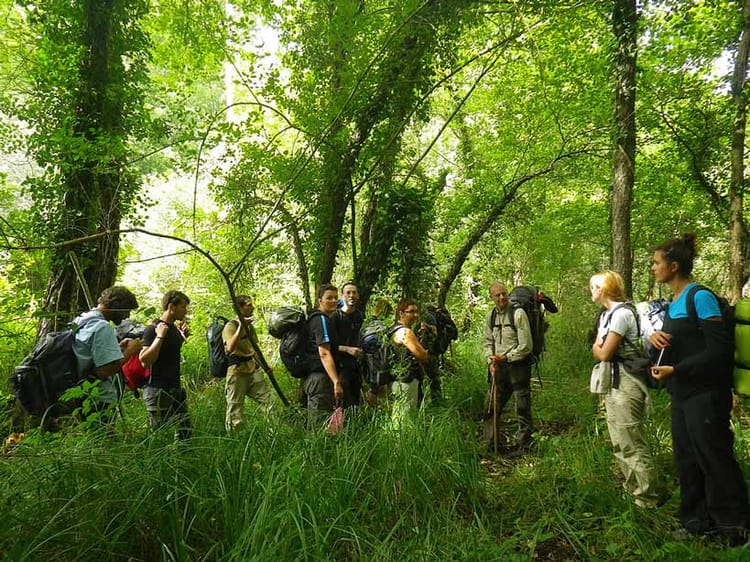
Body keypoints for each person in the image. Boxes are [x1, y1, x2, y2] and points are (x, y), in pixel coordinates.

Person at [649, 233, 750, 544]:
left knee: (714, 457)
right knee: (687, 459)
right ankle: (695, 522)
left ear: (674, 266)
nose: (653, 268)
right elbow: (678, 345)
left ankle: (735, 528)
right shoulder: (673, 303)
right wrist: (655, 343)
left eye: (656, 263)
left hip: (706, 395)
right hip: (681, 395)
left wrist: (676, 369)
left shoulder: (700, 297)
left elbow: (718, 350)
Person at [589, 270, 661, 508]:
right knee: (619, 440)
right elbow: (600, 349)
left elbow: (604, 352)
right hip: (613, 381)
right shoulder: (606, 315)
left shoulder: (621, 315)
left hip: (628, 383)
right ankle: (632, 489)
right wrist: (599, 349)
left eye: (594, 286)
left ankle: (647, 497)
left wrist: (598, 349)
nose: (591, 291)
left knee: (631, 439)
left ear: (605, 289)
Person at [72, 286, 143, 426]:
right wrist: (129, 351)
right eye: (126, 311)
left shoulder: (82, 320)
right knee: (102, 443)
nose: (127, 316)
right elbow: (105, 370)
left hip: (82, 393)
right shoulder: (102, 327)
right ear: (116, 306)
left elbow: (90, 354)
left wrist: (118, 348)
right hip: (98, 399)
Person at [483, 282, 533, 452]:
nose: (502, 297)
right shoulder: (490, 316)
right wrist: (491, 361)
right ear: (491, 297)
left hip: (518, 366)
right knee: (490, 406)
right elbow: (488, 342)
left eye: (504, 294)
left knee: (522, 407)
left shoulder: (518, 314)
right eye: (497, 295)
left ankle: (525, 446)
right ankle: (492, 444)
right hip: (498, 367)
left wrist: (506, 357)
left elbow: (526, 346)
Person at [139, 290, 192, 441]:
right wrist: (160, 335)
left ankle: (181, 462)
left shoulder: (174, 329)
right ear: (171, 307)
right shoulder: (152, 329)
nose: (185, 311)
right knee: (158, 435)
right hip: (157, 389)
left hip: (175, 387)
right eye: (183, 307)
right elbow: (145, 360)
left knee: (185, 431)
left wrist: (181, 338)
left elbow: (167, 353)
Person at [222, 295, 273, 432]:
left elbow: (254, 350)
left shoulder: (251, 328)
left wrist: (265, 367)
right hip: (237, 372)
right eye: (249, 305)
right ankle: (235, 440)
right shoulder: (230, 327)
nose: (253, 307)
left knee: (269, 403)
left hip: (252, 370)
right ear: (240, 308)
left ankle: (272, 435)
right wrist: (241, 327)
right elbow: (230, 348)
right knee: (235, 410)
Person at [303, 283, 344, 428]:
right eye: (329, 298)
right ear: (320, 300)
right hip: (320, 378)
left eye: (335, 298)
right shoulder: (320, 320)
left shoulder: (317, 319)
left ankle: (319, 450)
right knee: (318, 426)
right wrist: (336, 381)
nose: (333, 301)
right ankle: (315, 451)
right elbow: (324, 353)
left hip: (315, 378)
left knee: (320, 423)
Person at [390, 298, 429, 425]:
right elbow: (422, 355)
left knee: (400, 418)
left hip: (396, 379)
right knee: (406, 421)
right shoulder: (405, 332)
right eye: (411, 312)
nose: (415, 315)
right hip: (406, 380)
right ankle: (402, 444)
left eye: (417, 312)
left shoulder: (392, 329)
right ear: (401, 313)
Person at [329, 282, 364, 409]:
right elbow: (328, 347)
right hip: (340, 368)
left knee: (355, 403)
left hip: (356, 367)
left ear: (358, 296)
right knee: (341, 404)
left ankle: (355, 427)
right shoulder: (335, 317)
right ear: (342, 296)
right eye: (348, 293)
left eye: (354, 292)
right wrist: (347, 349)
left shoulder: (360, 316)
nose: (351, 295)